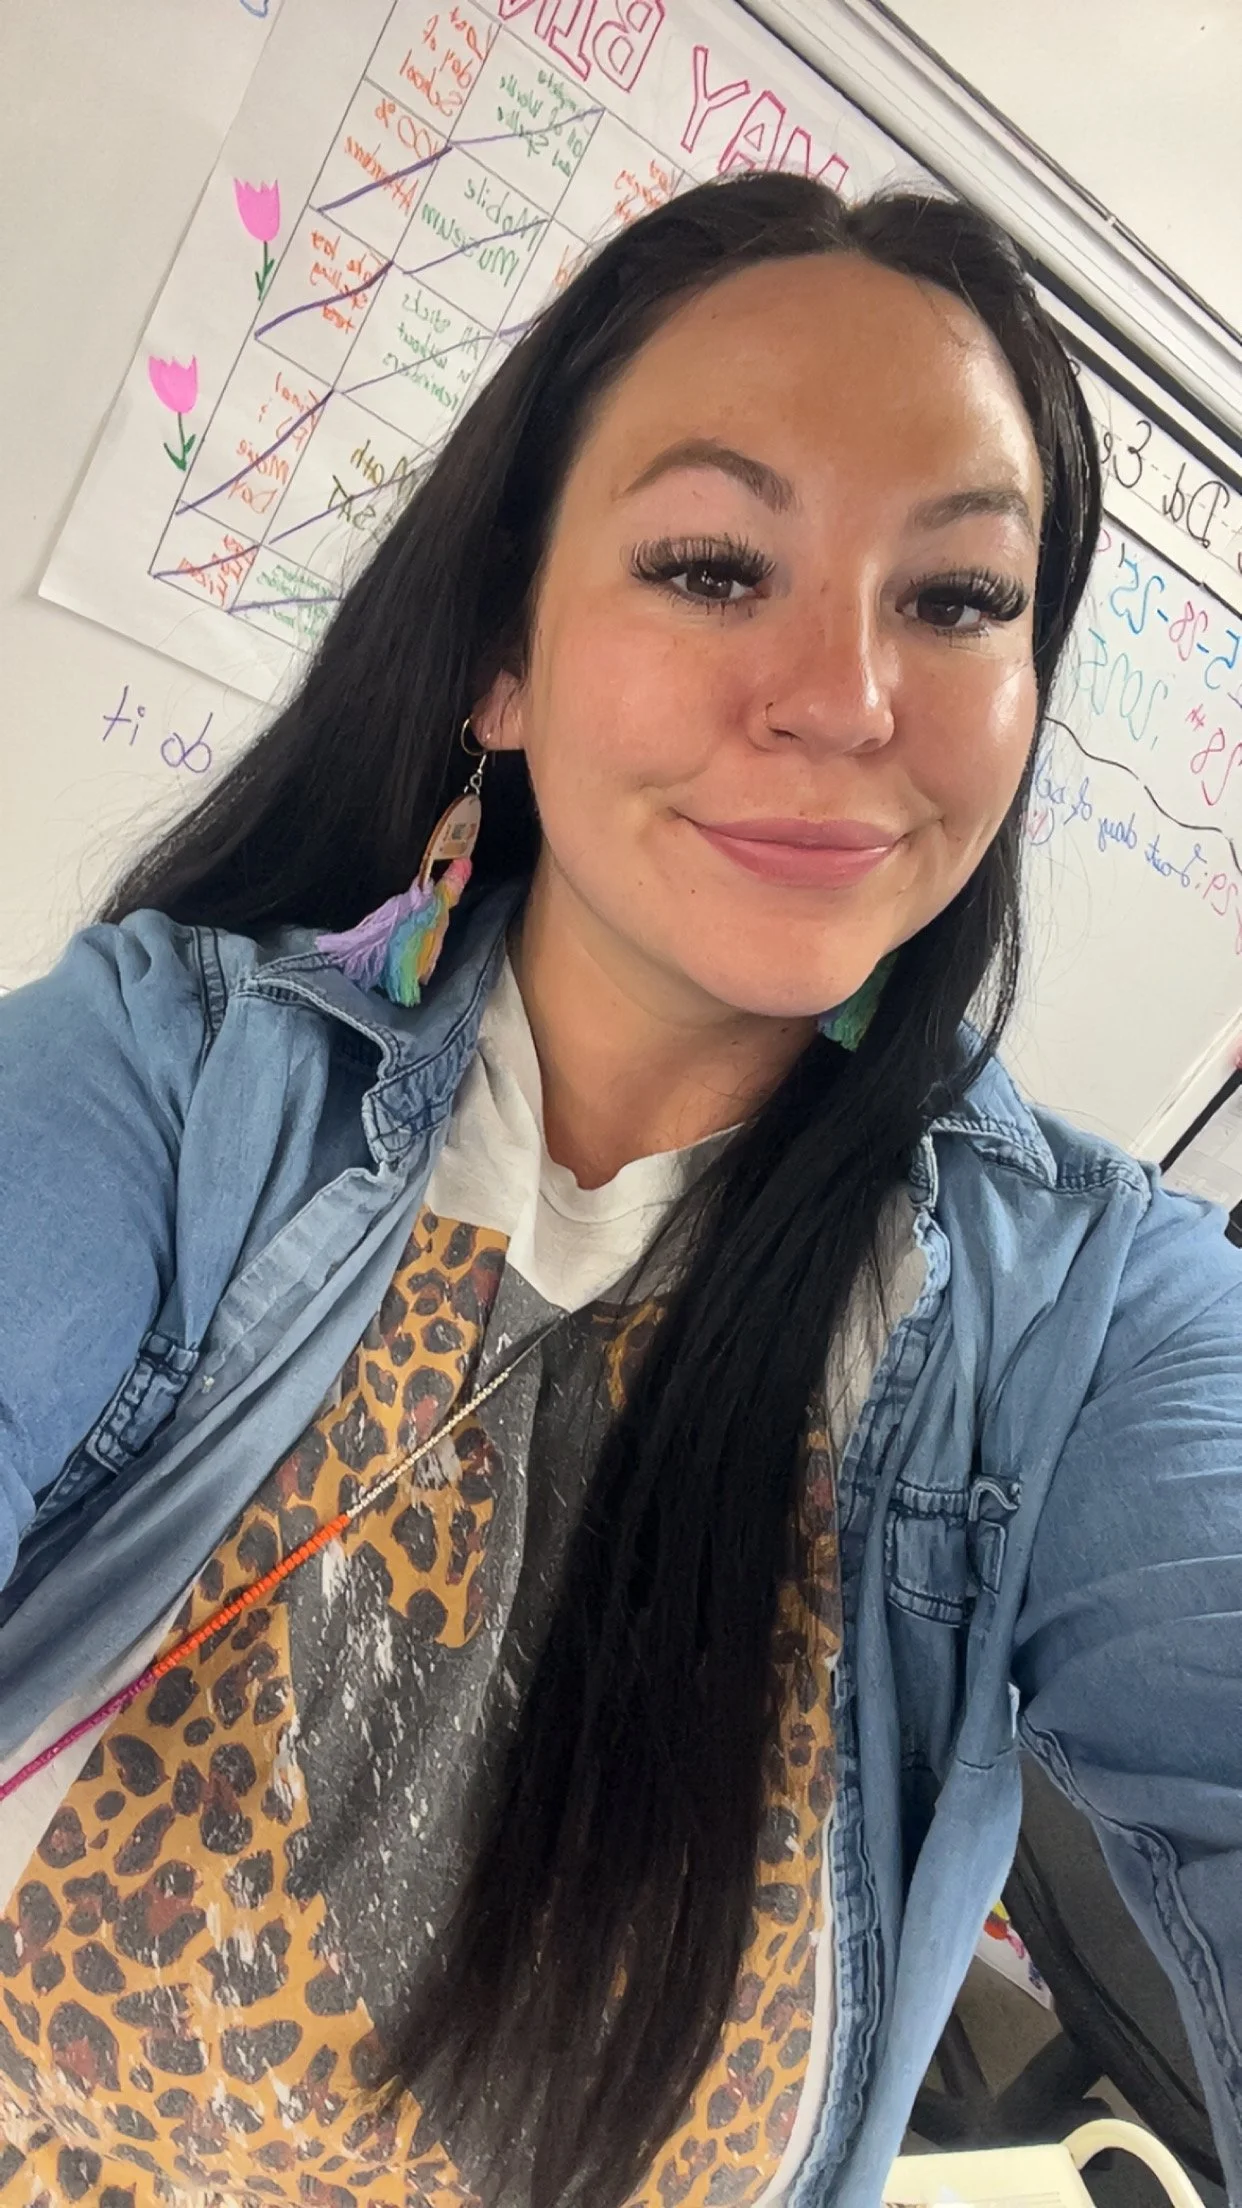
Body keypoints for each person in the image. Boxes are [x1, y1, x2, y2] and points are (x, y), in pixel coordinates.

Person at [0, 171, 1238, 2208]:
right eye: (711, 565)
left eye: (956, 600)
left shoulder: (1091, 1326)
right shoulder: (178, 1080)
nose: (847, 699)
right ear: (502, 655)